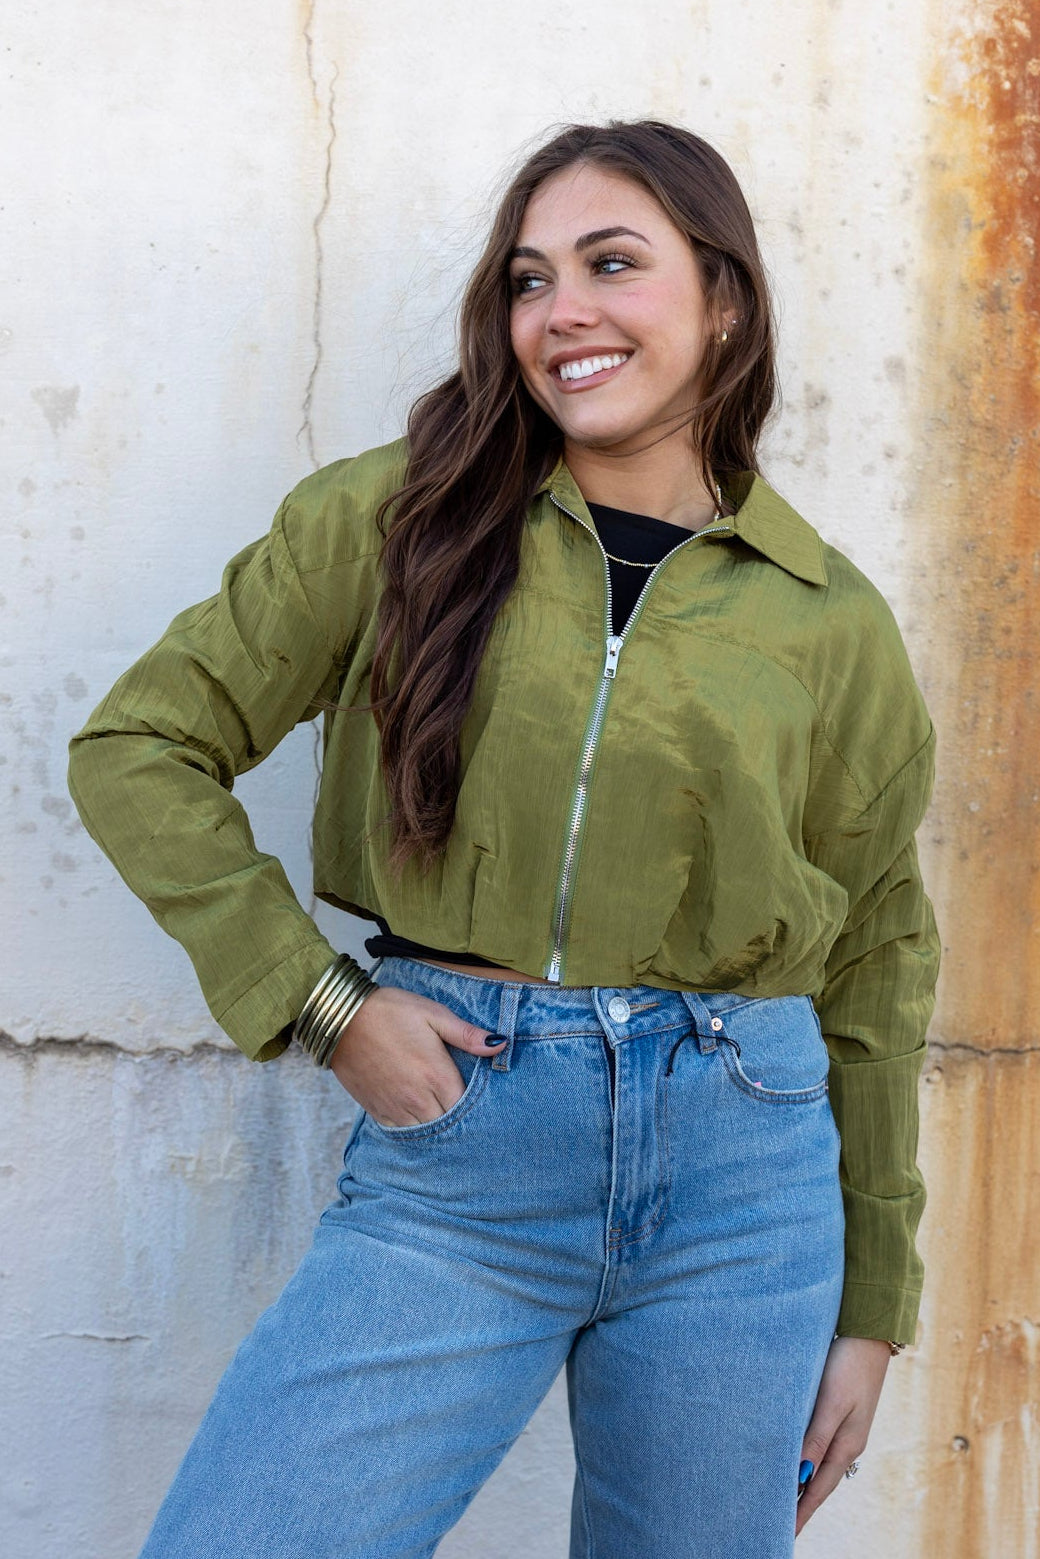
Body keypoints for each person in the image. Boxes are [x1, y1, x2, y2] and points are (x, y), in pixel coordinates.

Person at [67, 119, 939, 1558]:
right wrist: (324, 1001)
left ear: (724, 300)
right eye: (530, 281)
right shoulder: (394, 517)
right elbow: (139, 747)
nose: (562, 314)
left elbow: (880, 957)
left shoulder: (828, 618)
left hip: (747, 1180)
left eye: (612, 264)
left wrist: (874, 1307)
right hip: (466, 1150)